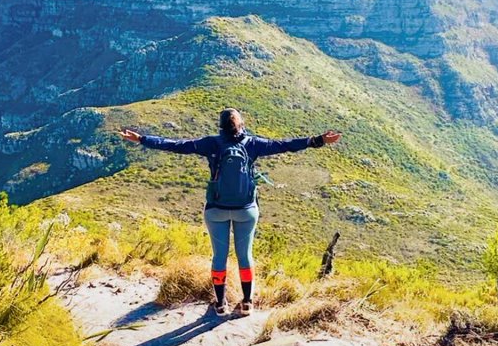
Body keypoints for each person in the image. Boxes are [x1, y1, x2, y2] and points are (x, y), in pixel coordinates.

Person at [119, 109, 341, 315]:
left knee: (219, 257)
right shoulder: (253, 143)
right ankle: (247, 303)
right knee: (245, 256)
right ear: (241, 125)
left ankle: (220, 304)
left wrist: (142, 139)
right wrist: (317, 140)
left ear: (221, 126)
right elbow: (285, 145)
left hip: (216, 210)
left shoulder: (210, 143)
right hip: (246, 210)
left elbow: (175, 145)